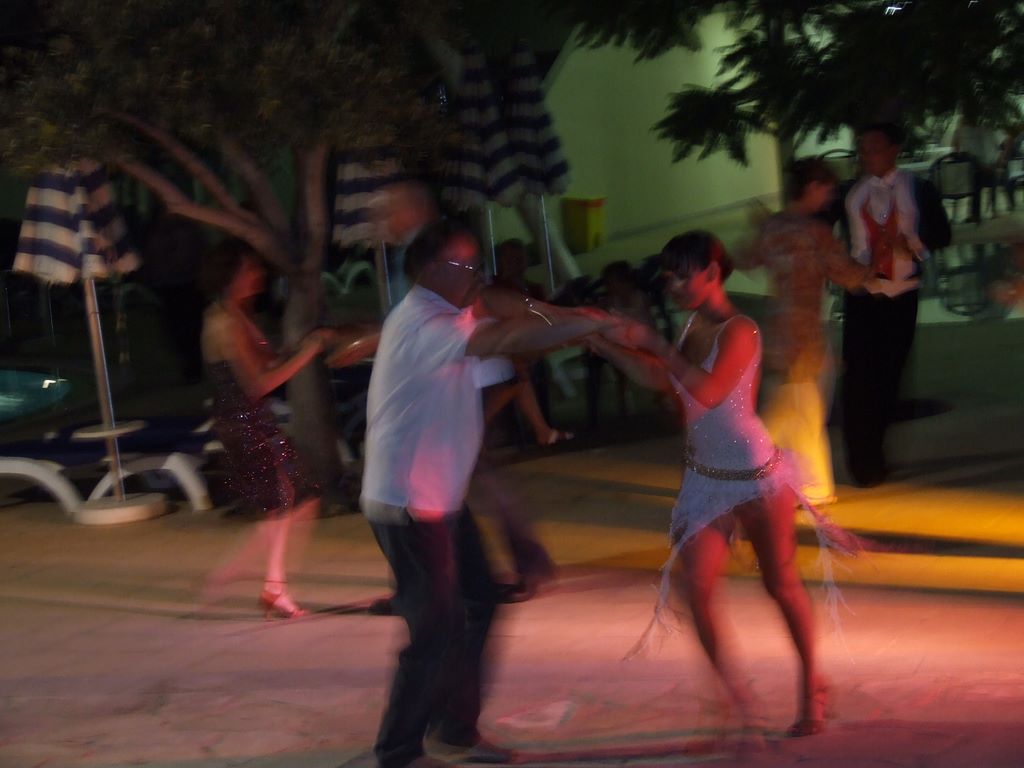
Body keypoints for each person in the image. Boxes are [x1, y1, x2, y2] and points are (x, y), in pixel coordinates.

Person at [360, 218, 613, 768]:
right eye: (467, 266)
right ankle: (398, 752)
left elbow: (507, 313)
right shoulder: (423, 324)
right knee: (435, 631)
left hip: (439, 498)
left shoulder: (453, 311)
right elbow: (506, 336)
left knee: (479, 603)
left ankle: (455, 729)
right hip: (406, 505)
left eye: (479, 264)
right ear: (432, 270)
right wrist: (581, 325)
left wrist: (570, 319)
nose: (479, 275)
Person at [589, 231, 835, 740]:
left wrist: (654, 343)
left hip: (754, 474)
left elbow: (709, 391)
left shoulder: (740, 328)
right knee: (695, 589)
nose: (674, 286)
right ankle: (736, 701)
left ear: (712, 273)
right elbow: (664, 380)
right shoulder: (692, 325)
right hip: (706, 476)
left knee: (780, 583)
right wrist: (600, 343)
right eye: (669, 277)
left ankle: (811, 683)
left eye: (684, 275)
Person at [199, 239, 356, 619]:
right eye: (249, 269)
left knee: (292, 500)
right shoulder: (224, 322)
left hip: (251, 420)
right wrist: (308, 353)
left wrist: (310, 343)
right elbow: (259, 383)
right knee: (293, 500)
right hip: (243, 422)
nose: (258, 274)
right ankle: (245, 579)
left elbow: (269, 361)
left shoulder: (236, 314)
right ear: (231, 276)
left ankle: (264, 584)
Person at [754, 158, 872, 505]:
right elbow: (848, 275)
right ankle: (795, 485)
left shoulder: (773, 227)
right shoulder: (814, 233)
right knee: (796, 412)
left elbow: (747, 258)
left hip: (779, 327)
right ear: (812, 187)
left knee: (795, 410)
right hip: (805, 333)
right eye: (827, 189)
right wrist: (878, 263)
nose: (830, 197)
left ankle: (795, 485)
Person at [842, 123, 951, 487]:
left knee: (889, 377)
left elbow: (942, 233)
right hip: (862, 295)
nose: (866, 156)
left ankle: (876, 453)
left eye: (873, 148)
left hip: (902, 294)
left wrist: (912, 244)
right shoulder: (850, 193)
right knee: (858, 379)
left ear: (893, 150)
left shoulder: (919, 188)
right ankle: (862, 463)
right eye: (862, 149)